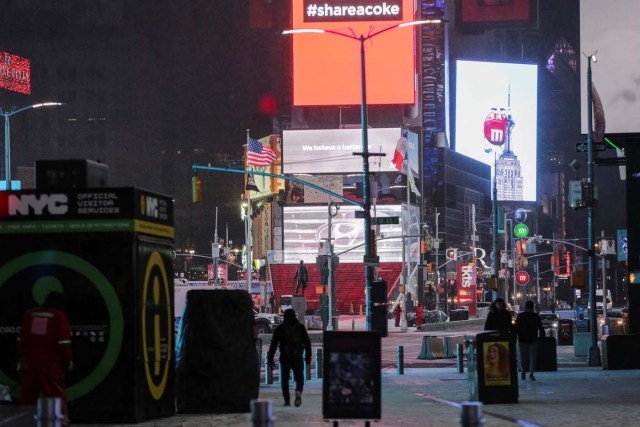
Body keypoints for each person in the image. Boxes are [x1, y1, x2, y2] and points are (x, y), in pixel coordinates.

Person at [18, 291, 73, 424]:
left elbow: (21, 339)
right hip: (50, 365)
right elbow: (63, 343)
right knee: (54, 395)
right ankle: (58, 423)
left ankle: (25, 422)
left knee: (28, 395)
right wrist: (68, 360)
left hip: (29, 363)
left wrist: (21, 359)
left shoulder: (30, 314)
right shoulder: (59, 316)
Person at [267, 309, 312, 407]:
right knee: (299, 377)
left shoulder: (280, 328)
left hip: (285, 357)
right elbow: (308, 343)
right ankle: (298, 392)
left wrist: (270, 358)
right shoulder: (300, 328)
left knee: (284, 379)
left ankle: (287, 400)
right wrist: (308, 357)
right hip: (297, 356)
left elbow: (273, 344)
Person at [514, 300, 545, 381]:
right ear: (532, 307)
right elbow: (540, 327)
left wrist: (514, 337)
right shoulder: (535, 316)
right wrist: (542, 337)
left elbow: (516, 328)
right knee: (532, 358)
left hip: (523, 339)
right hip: (532, 339)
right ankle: (530, 374)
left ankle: (524, 371)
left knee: (523, 358)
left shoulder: (520, 316)